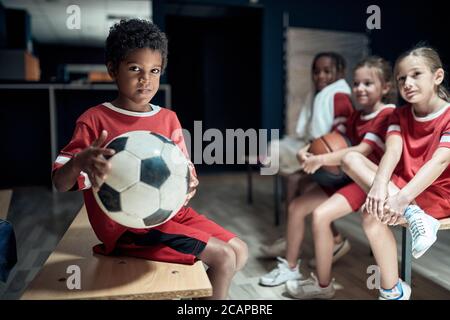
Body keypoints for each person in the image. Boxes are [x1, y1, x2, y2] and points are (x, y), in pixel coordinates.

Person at [51, 19, 248, 300]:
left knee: (240, 250)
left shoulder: (168, 118)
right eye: (135, 69)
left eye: (154, 71)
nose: (146, 79)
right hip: (129, 228)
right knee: (224, 257)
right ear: (112, 70)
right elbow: (60, 182)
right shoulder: (95, 120)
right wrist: (81, 160)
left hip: (169, 213)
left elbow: (184, 168)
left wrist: (189, 181)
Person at [259, 56, 396, 289]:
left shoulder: (387, 114)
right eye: (356, 83)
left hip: (368, 185)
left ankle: (322, 286)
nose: (360, 89)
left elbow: (361, 150)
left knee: (321, 215)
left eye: (368, 83)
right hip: (346, 177)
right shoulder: (357, 114)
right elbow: (329, 137)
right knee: (296, 206)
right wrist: (305, 151)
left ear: (385, 87)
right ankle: (290, 269)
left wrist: (320, 159)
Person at [340, 46, 450, 300]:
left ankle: (393, 289)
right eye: (402, 78)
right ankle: (394, 292)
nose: (407, 83)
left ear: (437, 76)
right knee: (351, 158)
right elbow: (392, 151)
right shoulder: (399, 114)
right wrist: (379, 185)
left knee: (372, 214)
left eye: (416, 74)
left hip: (436, 192)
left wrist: (400, 199)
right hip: (404, 189)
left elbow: (440, 162)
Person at [260, 52, 353, 262]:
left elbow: (339, 135)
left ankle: (292, 240)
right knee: (292, 177)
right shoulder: (318, 95)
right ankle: (328, 239)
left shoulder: (339, 96)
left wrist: (314, 150)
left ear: (340, 73)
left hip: (334, 160)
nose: (320, 76)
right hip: (317, 152)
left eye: (327, 71)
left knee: (295, 181)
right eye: (316, 71)